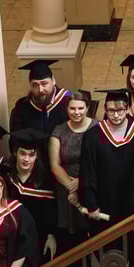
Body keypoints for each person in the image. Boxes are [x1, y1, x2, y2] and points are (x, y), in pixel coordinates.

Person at [79, 89, 134, 228]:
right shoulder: (93, 136)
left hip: (132, 202)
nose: (116, 115)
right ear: (105, 109)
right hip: (104, 202)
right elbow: (87, 171)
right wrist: (91, 204)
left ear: (128, 108)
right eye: (111, 110)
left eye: (120, 110)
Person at [49, 91, 95, 256]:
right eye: (73, 108)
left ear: (87, 108)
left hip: (91, 185)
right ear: (67, 109)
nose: (77, 112)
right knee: (70, 241)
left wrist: (81, 183)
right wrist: (72, 187)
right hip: (65, 189)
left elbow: (100, 163)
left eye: (81, 108)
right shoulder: (59, 130)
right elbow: (55, 164)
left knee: (93, 236)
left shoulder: (97, 127)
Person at [7, 130, 57, 264]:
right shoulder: (6, 178)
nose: (26, 159)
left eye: (31, 155)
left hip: (39, 236)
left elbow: (50, 211)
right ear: (15, 153)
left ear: (37, 156)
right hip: (11, 236)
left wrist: (51, 235)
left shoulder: (45, 179)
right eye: (22, 153)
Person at [9, 60, 70, 140]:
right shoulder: (22, 105)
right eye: (35, 85)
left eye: (44, 84)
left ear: (53, 81)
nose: (40, 89)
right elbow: (15, 138)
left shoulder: (68, 101)